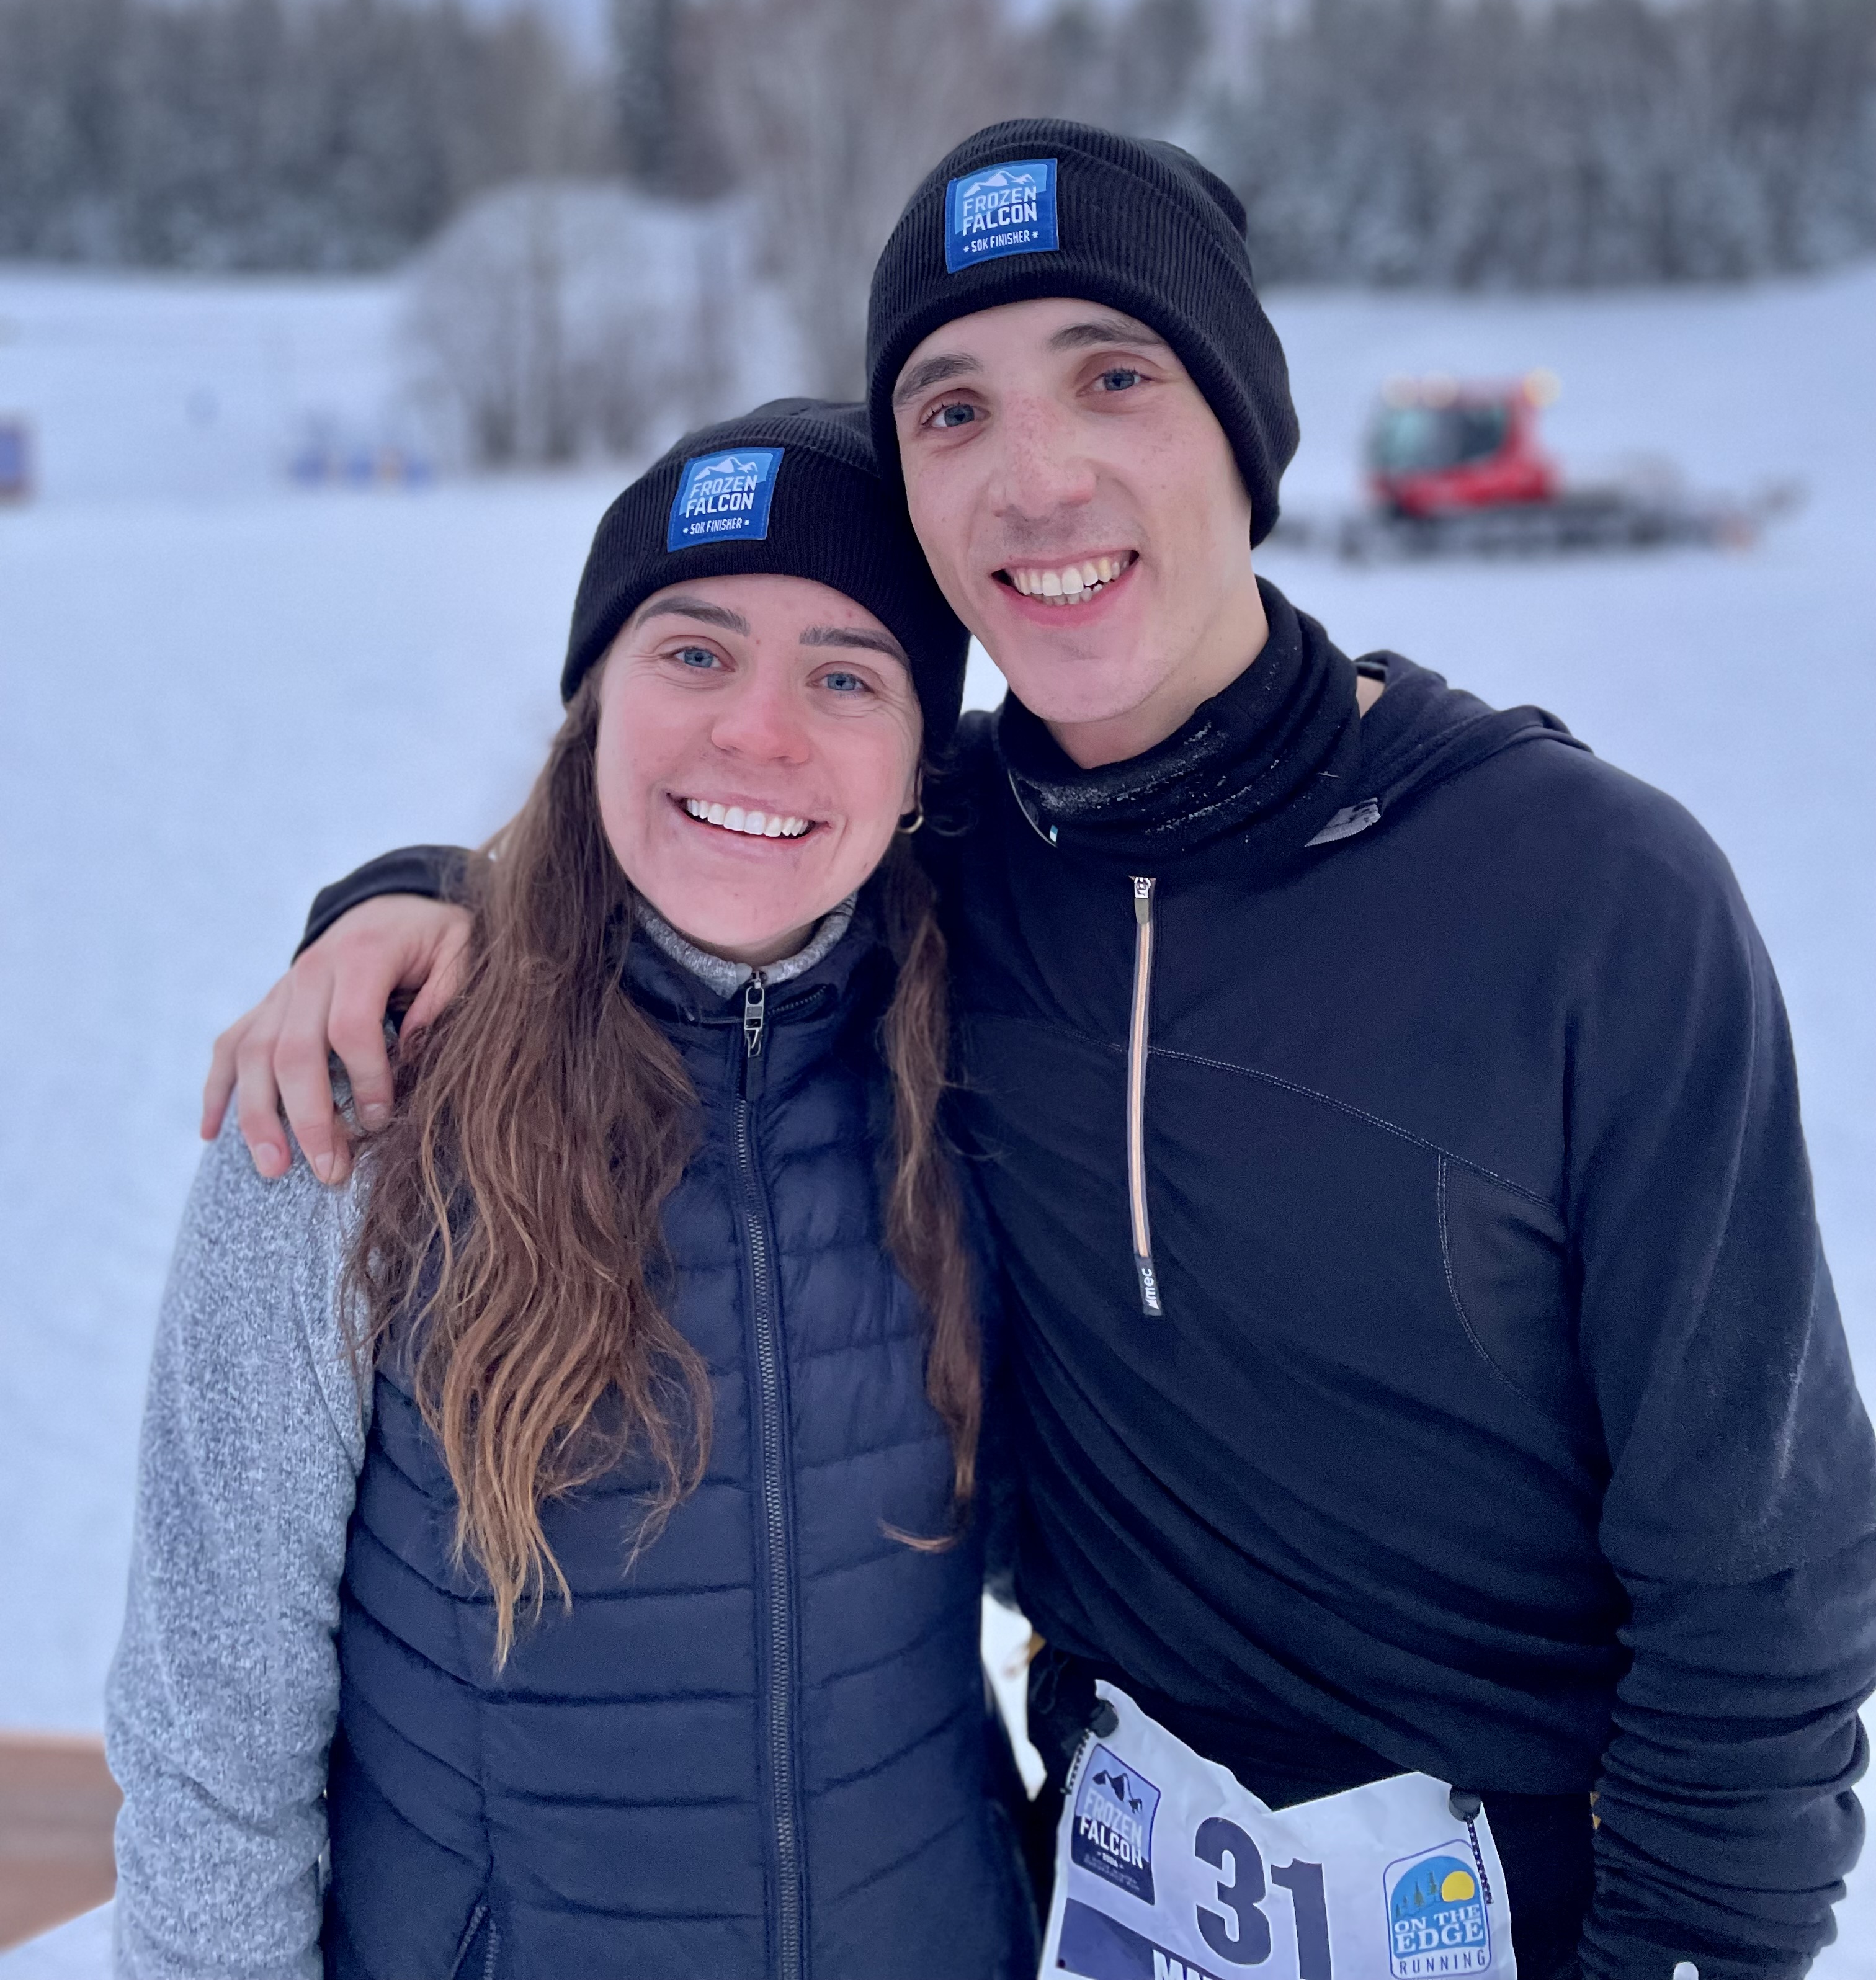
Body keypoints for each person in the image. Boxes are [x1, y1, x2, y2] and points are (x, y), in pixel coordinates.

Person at [208, 123, 1876, 1980]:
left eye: (1114, 378)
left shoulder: (1586, 894)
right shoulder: (946, 857)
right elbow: (693, 859)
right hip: (1104, 1914)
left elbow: (1765, 1577)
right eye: (953, 411)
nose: (1037, 477)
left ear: (1246, 429)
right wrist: (408, 905)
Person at [109, 400, 1037, 1980]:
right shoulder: (363, 1105)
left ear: (916, 770)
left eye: (845, 676)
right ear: (594, 703)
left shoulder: (986, 1078)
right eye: (694, 652)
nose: (758, 730)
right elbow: (214, 1744)